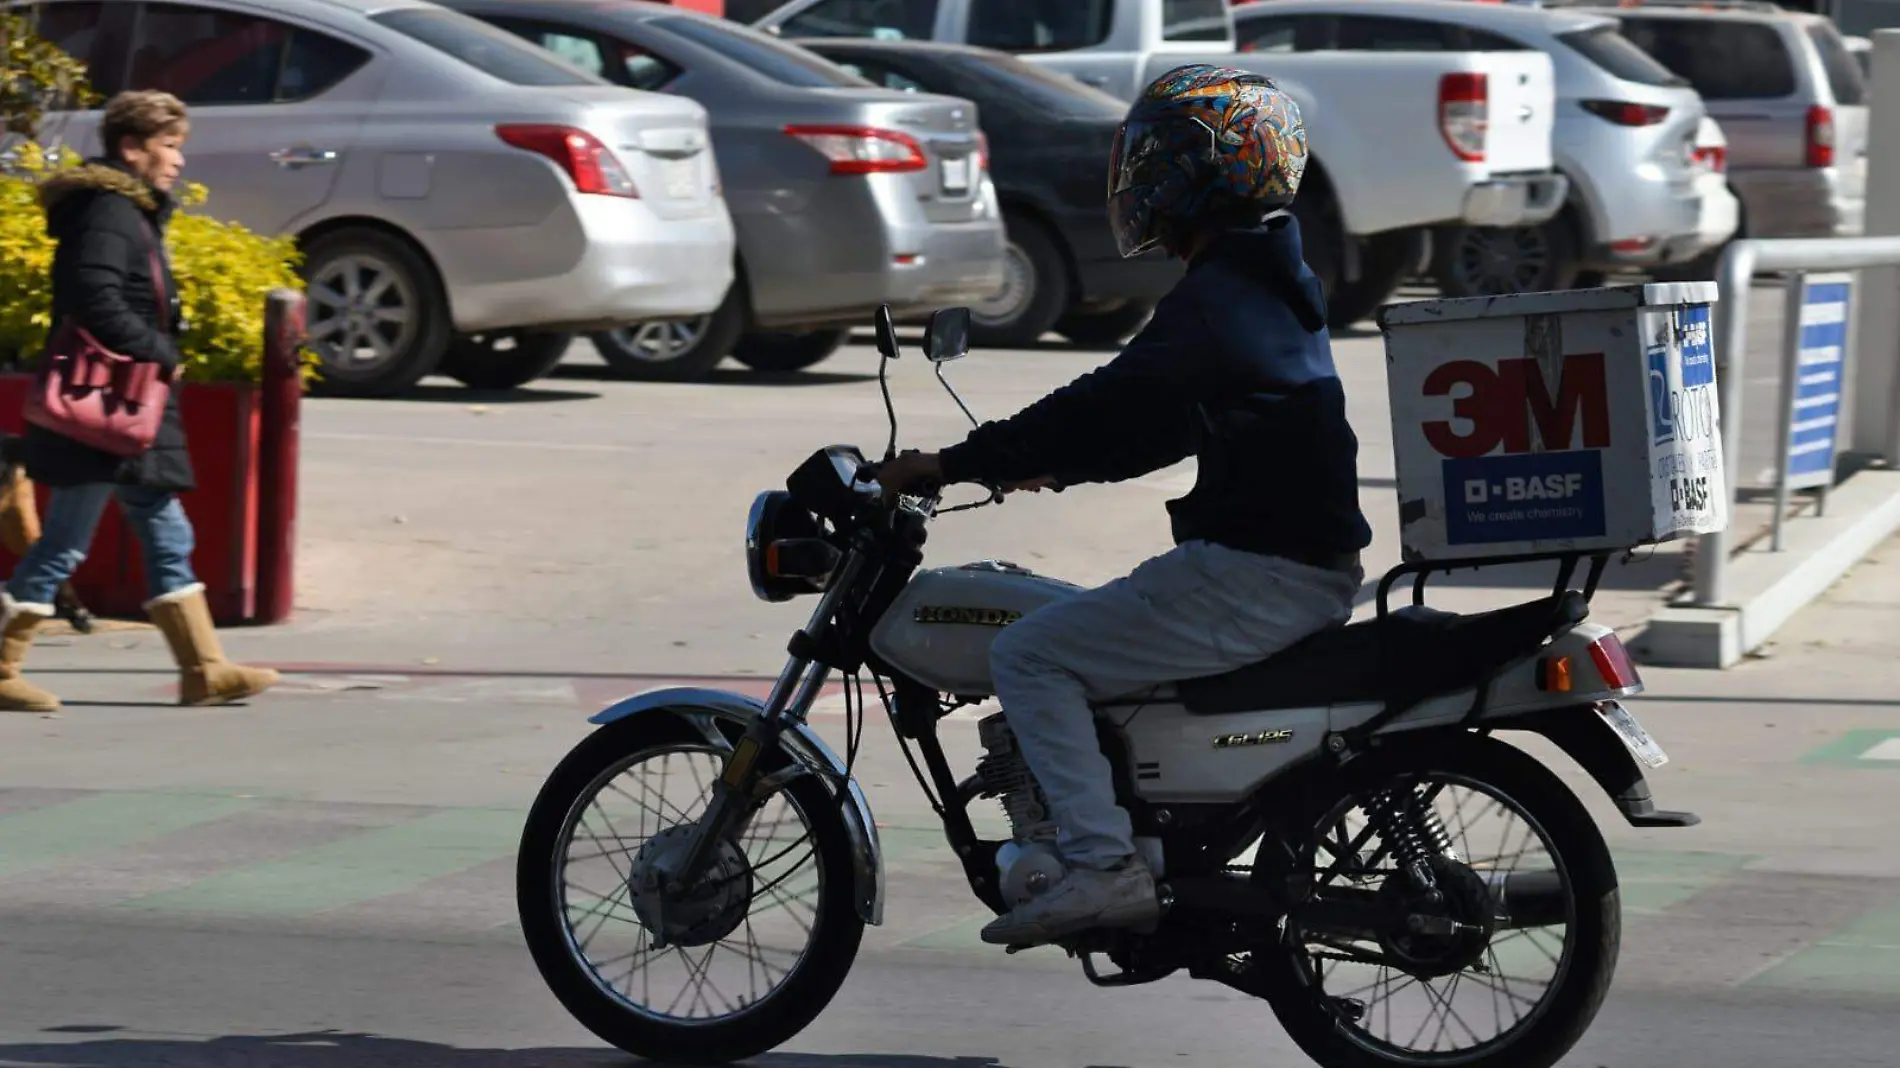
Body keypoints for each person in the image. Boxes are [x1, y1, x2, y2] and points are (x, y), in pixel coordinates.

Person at [875, 64, 1374, 947]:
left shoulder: (1222, 298)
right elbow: (1158, 424)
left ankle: (1104, 869)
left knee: (1029, 654)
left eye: (1155, 161)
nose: (1139, 181)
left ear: (1198, 174)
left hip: (1256, 573)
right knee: (1075, 630)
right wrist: (1046, 469)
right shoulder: (1267, 280)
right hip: (1278, 563)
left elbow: (1113, 400)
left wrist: (957, 459)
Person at [0, 89, 280, 713]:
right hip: (101, 405)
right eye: (170, 146)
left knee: (164, 528)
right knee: (66, 539)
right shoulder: (107, 212)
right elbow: (90, 295)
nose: (179, 160)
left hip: (129, 406)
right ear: (133, 148)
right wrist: (158, 350)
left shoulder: (129, 211)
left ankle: (204, 668)